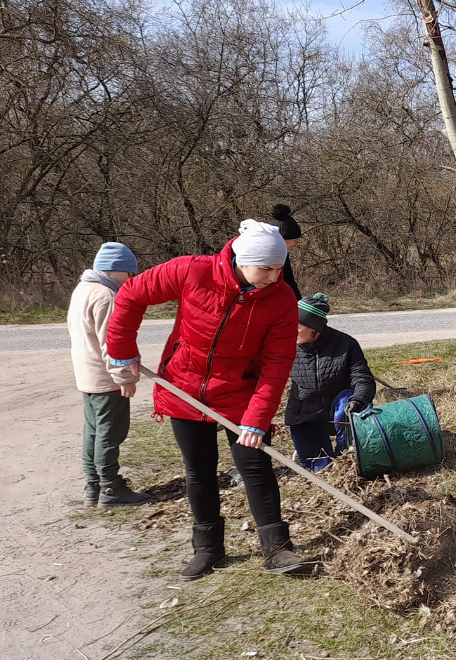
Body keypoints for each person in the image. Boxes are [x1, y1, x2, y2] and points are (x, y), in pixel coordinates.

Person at [106, 220, 308, 581]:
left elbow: (278, 363)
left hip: (241, 392)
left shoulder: (281, 299)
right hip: (184, 387)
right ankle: (208, 549)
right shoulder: (192, 271)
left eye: (279, 268)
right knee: (199, 470)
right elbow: (131, 294)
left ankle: (277, 549)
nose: (274, 277)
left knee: (256, 466)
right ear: (242, 260)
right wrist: (122, 352)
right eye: (266, 268)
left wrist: (257, 418)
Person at [68, 242, 153, 507]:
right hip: (105, 378)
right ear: (115, 270)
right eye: (129, 273)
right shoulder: (106, 296)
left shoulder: (82, 290)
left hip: (87, 375)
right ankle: (110, 487)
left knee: (93, 430)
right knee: (110, 432)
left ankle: (93, 485)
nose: (130, 279)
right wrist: (124, 377)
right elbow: (112, 342)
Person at [286, 294, 376, 471]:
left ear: (314, 328)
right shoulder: (285, 346)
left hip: (340, 410)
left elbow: (363, 379)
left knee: (351, 462)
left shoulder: (346, 344)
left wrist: (358, 400)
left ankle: (347, 449)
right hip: (308, 412)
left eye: (297, 327)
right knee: (322, 469)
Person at [269, 204, 302, 299]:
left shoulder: (283, 256)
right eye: (295, 240)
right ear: (283, 239)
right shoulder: (264, 258)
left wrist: (299, 304)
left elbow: (290, 283)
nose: (295, 245)